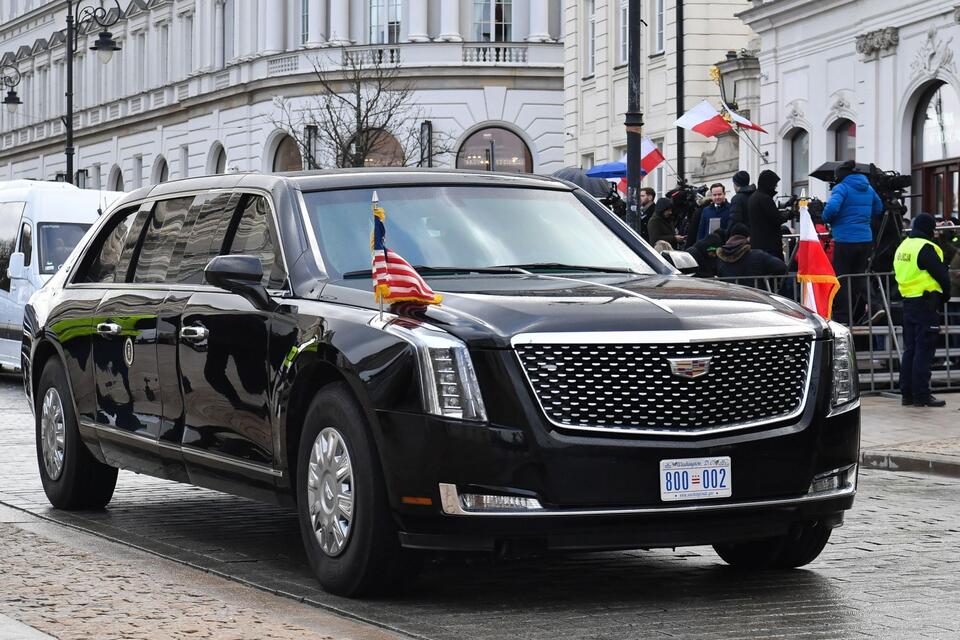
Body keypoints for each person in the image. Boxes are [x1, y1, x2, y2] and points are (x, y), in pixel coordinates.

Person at [894, 213, 952, 408]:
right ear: (929, 229)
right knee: (924, 350)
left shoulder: (903, 246)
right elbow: (942, 275)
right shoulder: (925, 248)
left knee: (910, 350)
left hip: (908, 302)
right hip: (926, 303)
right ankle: (922, 395)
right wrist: (944, 296)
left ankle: (907, 394)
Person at [821, 160, 884, 324]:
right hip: (865, 239)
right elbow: (878, 208)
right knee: (858, 277)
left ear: (840, 175)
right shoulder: (868, 188)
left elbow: (831, 210)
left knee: (842, 279)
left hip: (845, 239)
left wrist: (826, 218)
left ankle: (844, 317)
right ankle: (876, 305)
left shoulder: (841, 188)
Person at [716, 223, 788, 289]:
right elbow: (781, 267)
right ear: (748, 238)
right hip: (756, 297)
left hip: (730, 298)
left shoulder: (720, 258)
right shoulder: (758, 255)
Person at [747, 170, 790, 261]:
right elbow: (776, 218)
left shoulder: (753, 197)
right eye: (774, 184)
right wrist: (789, 214)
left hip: (756, 244)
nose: (776, 186)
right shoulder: (765, 198)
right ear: (768, 183)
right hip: (769, 245)